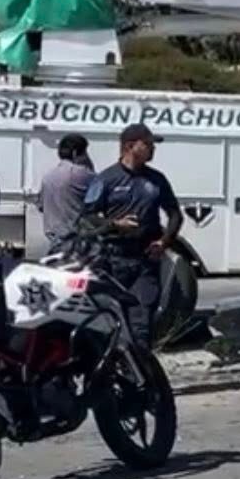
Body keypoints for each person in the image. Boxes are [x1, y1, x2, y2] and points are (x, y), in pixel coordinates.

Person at [81, 123, 183, 347]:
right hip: (113, 260)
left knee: (141, 321)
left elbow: (175, 215)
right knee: (112, 321)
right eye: (147, 144)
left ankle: (142, 375)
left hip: (145, 260)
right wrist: (115, 224)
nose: (152, 149)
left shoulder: (157, 180)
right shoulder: (105, 179)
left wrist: (164, 242)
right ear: (129, 146)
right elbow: (86, 218)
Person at [37, 133, 95, 253]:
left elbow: (41, 206)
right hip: (79, 244)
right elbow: (100, 192)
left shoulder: (47, 177)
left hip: (55, 243)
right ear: (75, 153)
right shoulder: (82, 174)